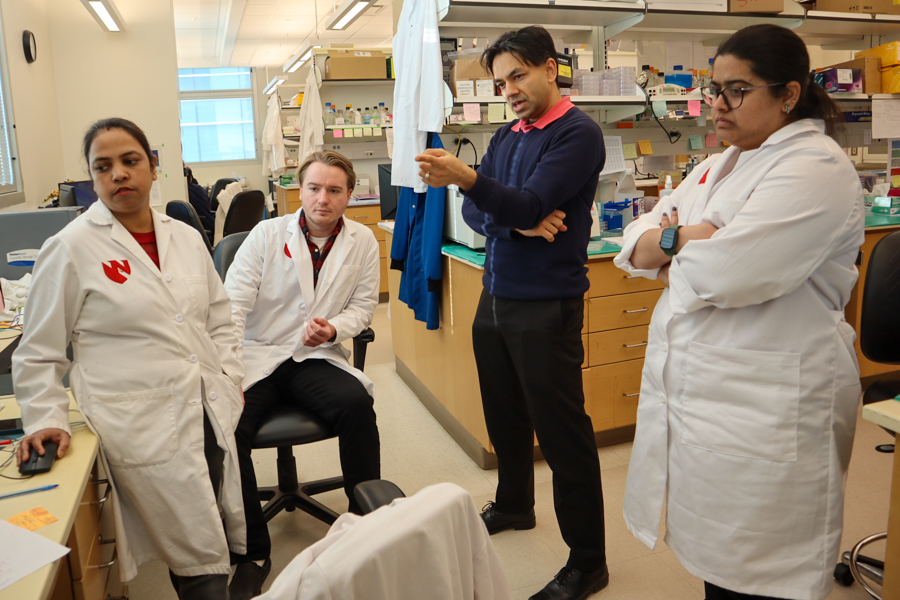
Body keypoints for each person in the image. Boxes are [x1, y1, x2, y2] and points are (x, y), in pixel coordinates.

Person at [613, 24, 864, 600]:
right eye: (713, 88)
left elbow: (727, 273)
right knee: (717, 568)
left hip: (771, 401)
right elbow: (636, 241)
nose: (716, 104)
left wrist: (675, 244)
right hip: (708, 395)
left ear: (789, 95)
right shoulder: (719, 164)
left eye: (735, 90)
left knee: (765, 573)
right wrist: (687, 238)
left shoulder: (814, 167)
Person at [13, 118, 246, 600]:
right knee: (195, 550)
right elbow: (39, 351)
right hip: (137, 417)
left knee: (208, 514)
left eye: (130, 161)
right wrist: (45, 417)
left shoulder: (183, 235)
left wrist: (230, 375)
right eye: (104, 167)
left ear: (153, 168)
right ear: (93, 179)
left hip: (204, 402)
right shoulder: (70, 248)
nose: (118, 174)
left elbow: (220, 319)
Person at [415, 26, 608, 600]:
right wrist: (519, 221)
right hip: (494, 295)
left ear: (551, 68)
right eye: (501, 82)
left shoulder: (577, 134)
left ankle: (588, 561)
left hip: (546, 304)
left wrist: (476, 184)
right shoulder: (508, 133)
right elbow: (483, 216)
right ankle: (516, 504)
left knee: (561, 431)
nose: (510, 91)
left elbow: (505, 198)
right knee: (503, 412)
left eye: (518, 76)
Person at [225, 150, 381, 600]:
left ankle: (363, 526)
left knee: (356, 405)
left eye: (334, 190)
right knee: (228, 422)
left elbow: (363, 307)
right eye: (314, 188)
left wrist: (336, 327)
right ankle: (252, 552)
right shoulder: (265, 235)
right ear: (301, 190)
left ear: (350, 195)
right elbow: (232, 306)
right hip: (259, 353)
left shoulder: (363, 241)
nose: (323, 199)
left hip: (316, 355)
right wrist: (229, 371)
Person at [185, 163, 215, 234]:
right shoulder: (199, 188)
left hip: (200, 229)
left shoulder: (184, 192)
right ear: (191, 178)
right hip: (210, 225)